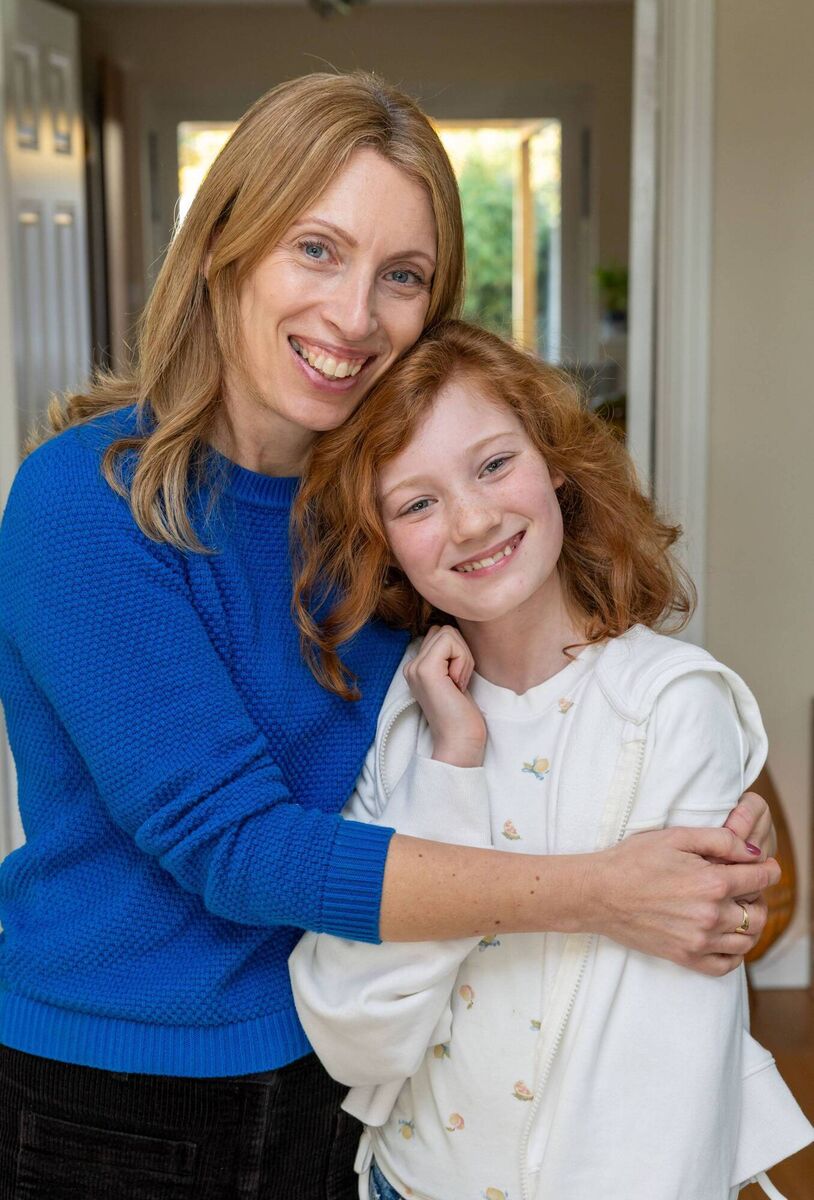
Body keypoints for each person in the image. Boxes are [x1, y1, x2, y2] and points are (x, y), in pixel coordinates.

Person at [0, 72, 776, 1199]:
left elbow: (555, 680)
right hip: (112, 1092)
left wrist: (704, 831)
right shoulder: (84, 503)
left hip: (354, 1088)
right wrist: (608, 886)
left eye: (400, 275)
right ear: (225, 245)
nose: (356, 316)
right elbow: (235, 848)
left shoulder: (388, 514)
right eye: (316, 249)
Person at [288, 320, 813, 1200]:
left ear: (557, 465)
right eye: (416, 503)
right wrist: (453, 765)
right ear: (382, 542)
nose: (473, 519)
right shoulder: (406, 728)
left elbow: (678, 1052)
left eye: (493, 465)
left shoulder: (670, 706)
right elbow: (355, 1034)